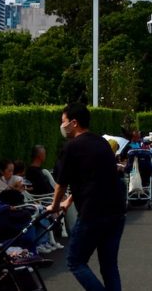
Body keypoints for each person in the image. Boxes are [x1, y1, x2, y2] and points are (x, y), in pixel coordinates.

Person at [48, 103, 127, 291]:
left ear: (74, 123)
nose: (62, 126)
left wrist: (54, 205)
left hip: (93, 213)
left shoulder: (72, 147)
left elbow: (62, 183)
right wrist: (69, 201)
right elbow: (91, 178)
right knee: (109, 265)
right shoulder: (101, 142)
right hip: (116, 212)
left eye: (64, 122)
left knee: (75, 261)